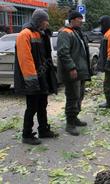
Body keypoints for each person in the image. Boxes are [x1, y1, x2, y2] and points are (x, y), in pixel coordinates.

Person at [14, 9, 58, 145]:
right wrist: (32, 81)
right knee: (32, 107)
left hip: (41, 78)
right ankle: (26, 134)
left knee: (42, 105)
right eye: (46, 21)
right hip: (32, 79)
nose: (48, 23)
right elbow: (25, 59)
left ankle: (43, 130)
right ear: (40, 20)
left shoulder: (39, 33)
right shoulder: (25, 34)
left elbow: (43, 56)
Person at [57, 11, 92, 136]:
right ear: (72, 20)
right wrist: (71, 68)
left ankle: (75, 117)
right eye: (79, 19)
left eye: (81, 19)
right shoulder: (65, 33)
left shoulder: (77, 32)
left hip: (81, 72)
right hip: (72, 72)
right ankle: (70, 123)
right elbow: (63, 52)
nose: (81, 21)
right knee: (72, 97)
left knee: (79, 95)